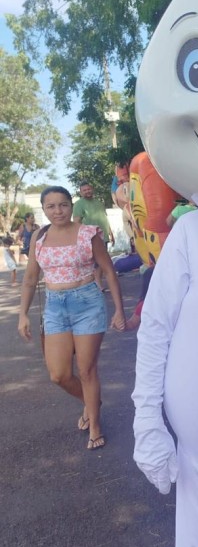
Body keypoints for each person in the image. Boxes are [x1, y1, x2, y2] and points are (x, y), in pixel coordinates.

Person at [18, 186, 126, 450]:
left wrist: (119, 310)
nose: (58, 211)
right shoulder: (39, 237)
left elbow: (109, 271)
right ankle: (91, 402)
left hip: (87, 303)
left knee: (87, 370)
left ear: (71, 205)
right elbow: (30, 279)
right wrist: (22, 314)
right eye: (51, 206)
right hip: (55, 307)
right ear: (43, 209)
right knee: (59, 375)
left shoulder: (88, 234)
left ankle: (95, 425)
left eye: (63, 205)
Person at [72, 180, 114, 290]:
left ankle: (98, 284)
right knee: (93, 263)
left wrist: (110, 233)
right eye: (84, 190)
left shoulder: (99, 203)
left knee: (101, 263)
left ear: (92, 189)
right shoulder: (78, 204)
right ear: (81, 192)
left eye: (89, 189)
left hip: (103, 237)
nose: (87, 191)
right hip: (89, 239)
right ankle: (96, 285)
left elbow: (104, 218)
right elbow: (76, 222)